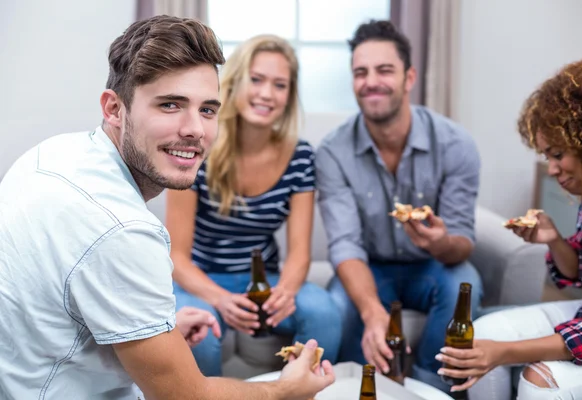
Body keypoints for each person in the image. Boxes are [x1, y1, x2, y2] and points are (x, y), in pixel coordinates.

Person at [0, 16, 334, 399]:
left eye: (207, 110)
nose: (195, 129)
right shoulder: (122, 230)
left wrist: (158, 326)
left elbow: (62, 312)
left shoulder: (52, 153)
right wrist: (284, 389)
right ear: (114, 108)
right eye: (170, 104)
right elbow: (187, 397)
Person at [315, 19, 483, 391]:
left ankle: (427, 386)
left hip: (432, 266)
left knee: (466, 281)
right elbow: (345, 244)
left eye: (384, 70)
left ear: (409, 78)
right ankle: (358, 385)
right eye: (361, 72)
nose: (371, 81)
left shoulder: (456, 144)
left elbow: (462, 242)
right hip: (369, 268)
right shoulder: (331, 152)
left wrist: (440, 243)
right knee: (339, 306)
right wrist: (373, 312)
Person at [166, 34, 342, 376]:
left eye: (280, 84)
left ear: (289, 96)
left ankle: (298, 393)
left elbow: (299, 254)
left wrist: (285, 292)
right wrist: (219, 299)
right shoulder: (197, 146)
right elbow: (176, 258)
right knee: (197, 336)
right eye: (256, 79)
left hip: (267, 279)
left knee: (325, 314)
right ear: (234, 83)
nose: (266, 93)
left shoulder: (300, 156)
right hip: (200, 279)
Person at [436, 58, 582, 399]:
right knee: (480, 333)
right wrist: (553, 238)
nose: (552, 170)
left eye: (558, 155)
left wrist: (502, 353)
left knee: (539, 381)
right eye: (547, 158)